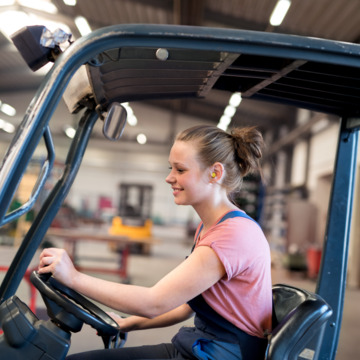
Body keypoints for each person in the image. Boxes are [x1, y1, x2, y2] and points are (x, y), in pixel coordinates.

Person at [38, 125, 272, 360]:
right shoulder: (210, 227)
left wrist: (73, 277)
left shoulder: (233, 235)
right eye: (171, 168)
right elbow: (185, 306)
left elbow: (153, 302)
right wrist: (126, 323)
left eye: (180, 170)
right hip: (201, 347)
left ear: (215, 172)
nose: (170, 178)